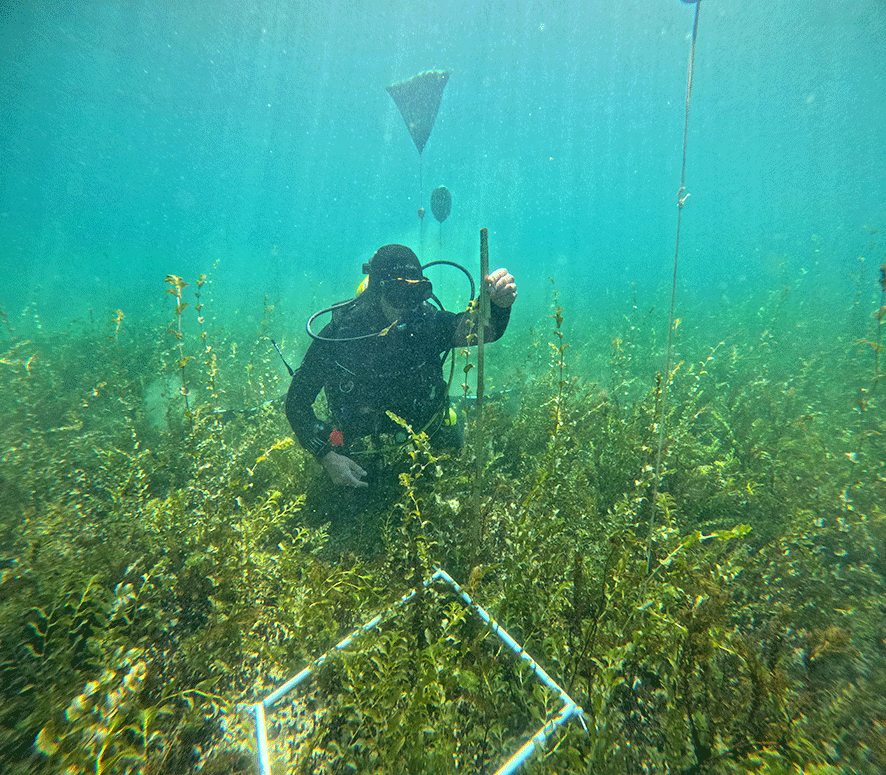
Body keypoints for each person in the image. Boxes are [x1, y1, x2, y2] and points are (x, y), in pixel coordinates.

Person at [285, 244, 517, 489]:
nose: (408, 306)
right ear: (376, 293)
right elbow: (296, 402)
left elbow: (482, 331)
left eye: (416, 293)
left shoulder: (427, 323)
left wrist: (498, 306)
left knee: (454, 455)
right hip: (359, 443)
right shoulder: (341, 336)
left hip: (425, 430)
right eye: (398, 294)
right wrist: (328, 457)